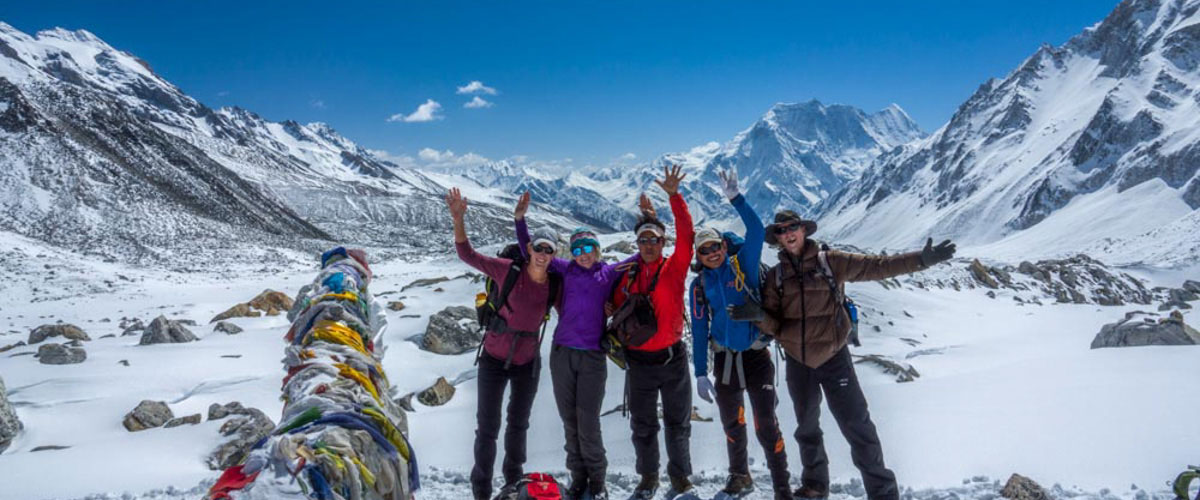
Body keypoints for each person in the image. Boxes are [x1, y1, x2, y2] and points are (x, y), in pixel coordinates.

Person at [753, 210, 956, 500]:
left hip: (834, 357)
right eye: (782, 230)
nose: (788, 233)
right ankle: (815, 484)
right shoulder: (776, 277)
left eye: (793, 227)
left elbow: (878, 266)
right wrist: (760, 316)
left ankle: (883, 492)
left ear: (803, 229)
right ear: (777, 239)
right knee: (806, 427)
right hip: (798, 362)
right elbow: (775, 325)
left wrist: (921, 260)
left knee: (857, 424)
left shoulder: (831, 261)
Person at [512, 192, 637, 500]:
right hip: (562, 355)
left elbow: (642, 256)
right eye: (578, 248)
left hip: (592, 357)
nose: (583, 254)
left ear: (597, 250)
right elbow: (531, 250)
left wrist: (651, 224)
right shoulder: (564, 269)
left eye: (589, 248)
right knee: (570, 420)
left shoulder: (607, 273)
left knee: (588, 422)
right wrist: (520, 221)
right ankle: (578, 477)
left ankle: (598, 481)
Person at [446, 187, 562, 500]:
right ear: (530, 248)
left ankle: (513, 483)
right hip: (494, 360)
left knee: (518, 425)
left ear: (554, 256)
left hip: (528, 363)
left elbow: (574, 313)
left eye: (549, 250)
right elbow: (467, 254)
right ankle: (481, 489)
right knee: (487, 427)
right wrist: (458, 218)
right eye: (539, 247)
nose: (542, 254)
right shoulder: (507, 270)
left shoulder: (555, 285)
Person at [688, 169, 790, 499]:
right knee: (732, 423)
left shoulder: (742, 265)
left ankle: (781, 483)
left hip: (757, 356)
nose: (713, 253)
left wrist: (736, 199)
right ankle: (739, 475)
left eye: (716, 246)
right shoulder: (700, 285)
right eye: (705, 250)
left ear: (723, 245)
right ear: (698, 257)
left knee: (765, 422)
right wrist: (701, 373)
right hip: (725, 361)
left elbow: (758, 230)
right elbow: (701, 328)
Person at [609, 165, 696, 499]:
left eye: (654, 240)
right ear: (638, 243)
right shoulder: (628, 276)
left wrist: (675, 197)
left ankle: (680, 478)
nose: (648, 245)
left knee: (678, 424)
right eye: (643, 240)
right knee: (643, 426)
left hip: (673, 359)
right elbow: (616, 308)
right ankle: (648, 477)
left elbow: (687, 234)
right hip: (640, 363)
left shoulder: (674, 268)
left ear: (663, 242)